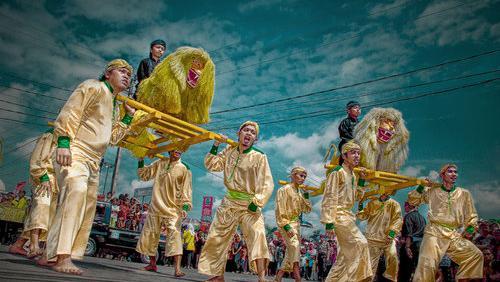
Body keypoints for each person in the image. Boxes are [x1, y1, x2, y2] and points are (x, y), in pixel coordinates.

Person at [45, 59, 136, 275]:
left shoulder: (115, 103)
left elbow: (112, 138)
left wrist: (127, 116)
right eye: (122, 71)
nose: (126, 76)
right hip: (76, 150)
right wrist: (64, 143)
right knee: (76, 193)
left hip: (95, 159)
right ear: (108, 73)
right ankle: (62, 257)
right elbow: (71, 111)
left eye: (129, 75)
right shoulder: (92, 86)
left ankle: (49, 255)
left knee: (83, 206)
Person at [198, 121, 274, 282]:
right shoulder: (229, 151)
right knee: (217, 237)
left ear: (256, 139)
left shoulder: (259, 157)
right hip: (229, 202)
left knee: (258, 236)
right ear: (238, 134)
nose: (248, 134)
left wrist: (257, 202)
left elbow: (267, 183)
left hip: (250, 204)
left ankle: (262, 278)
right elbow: (212, 165)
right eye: (245, 130)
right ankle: (217, 275)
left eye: (252, 132)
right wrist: (216, 145)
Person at [408, 164, 484, 281]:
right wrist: (421, 186)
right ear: (442, 175)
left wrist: (470, 229)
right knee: (427, 265)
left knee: (475, 255)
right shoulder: (433, 191)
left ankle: (463, 279)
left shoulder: (464, 194)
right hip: (434, 232)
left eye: (455, 172)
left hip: (454, 234)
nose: (454, 174)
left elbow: (472, 216)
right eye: (450, 172)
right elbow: (413, 201)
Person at [320, 141, 372, 282]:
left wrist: (361, 181)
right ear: (344, 155)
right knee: (361, 243)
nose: (357, 156)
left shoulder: (353, 175)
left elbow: (356, 198)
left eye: (358, 153)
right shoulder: (337, 172)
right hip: (338, 216)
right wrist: (329, 222)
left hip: (348, 216)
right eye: (353, 152)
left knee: (343, 258)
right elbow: (329, 196)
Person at [135, 149, 192, 277]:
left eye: (180, 148)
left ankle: (177, 269)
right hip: (156, 206)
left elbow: (187, 189)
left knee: (175, 236)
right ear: (170, 150)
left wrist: (185, 206)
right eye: (175, 147)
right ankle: (152, 264)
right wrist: (140, 159)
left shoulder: (184, 168)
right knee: (150, 235)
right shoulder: (160, 162)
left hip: (173, 209)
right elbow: (145, 174)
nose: (178, 150)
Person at [9, 130, 58, 258]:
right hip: (43, 178)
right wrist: (43, 177)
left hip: (56, 182)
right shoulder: (50, 135)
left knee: (46, 215)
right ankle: (34, 245)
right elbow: (37, 157)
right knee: (41, 208)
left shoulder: (70, 140)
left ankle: (18, 245)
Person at [274, 166, 312, 282]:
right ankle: (297, 277)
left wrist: (306, 195)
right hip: (286, 224)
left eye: (305, 176)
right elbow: (280, 210)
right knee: (294, 246)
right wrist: (286, 225)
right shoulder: (283, 190)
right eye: (301, 175)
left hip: (297, 224)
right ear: (293, 175)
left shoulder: (299, 193)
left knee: (291, 251)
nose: (303, 178)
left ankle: (278, 277)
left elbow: (307, 209)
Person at [357, 194, 402, 281]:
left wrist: (391, 234)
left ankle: (390, 279)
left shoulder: (394, 204)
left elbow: (397, 220)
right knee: (369, 267)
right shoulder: (372, 203)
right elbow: (362, 216)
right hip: (372, 239)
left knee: (393, 258)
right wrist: (361, 204)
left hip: (388, 239)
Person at [398, 201, 426, 282]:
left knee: (405, 271)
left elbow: (409, 234)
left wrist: (407, 247)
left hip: (411, 245)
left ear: (408, 206)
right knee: (418, 270)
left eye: (405, 206)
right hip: (421, 245)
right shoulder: (422, 218)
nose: (404, 208)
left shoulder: (408, 217)